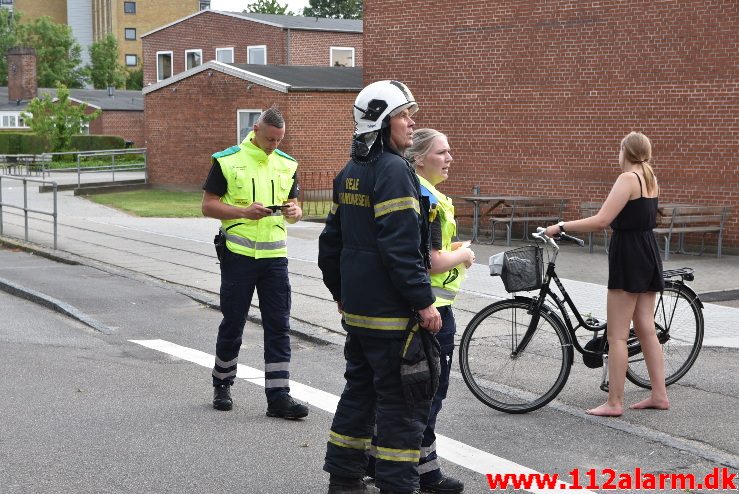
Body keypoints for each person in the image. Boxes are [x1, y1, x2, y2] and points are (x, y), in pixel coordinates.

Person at [318, 80, 442, 494]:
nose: (411, 123)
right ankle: (395, 485)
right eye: (404, 115)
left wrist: (340, 294)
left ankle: (345, 478)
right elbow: (401, 249)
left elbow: (330, 243)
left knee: (360, 393)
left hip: (358, 312)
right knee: (404, 405)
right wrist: (424, 303)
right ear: (383, 122)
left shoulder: (349, 172)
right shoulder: (393, 171)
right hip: (392, 317)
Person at [544, 131, 668, 417]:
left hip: (629, 253)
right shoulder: (650, 177)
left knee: (618, 336)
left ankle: (614, 402)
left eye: (619, 149)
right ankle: (659, 394)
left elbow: (602, 220)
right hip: (648, 249)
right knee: (646, 326)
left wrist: (561, 226)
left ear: (627, 152)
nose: (618, 154)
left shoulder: (628, 178)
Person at [202, 106, 309, 420]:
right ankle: (222, 384)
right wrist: (243, 212)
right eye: (270, 139)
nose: (274, 145)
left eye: (279, 140)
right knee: (233, 323)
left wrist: (295, 213)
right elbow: (208, 206)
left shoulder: (288, 165)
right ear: (257, 129)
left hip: (275, 258)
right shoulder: (227, 160)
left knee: (279, 327)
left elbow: (295, 207)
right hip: (238, 256)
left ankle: (279, 397)